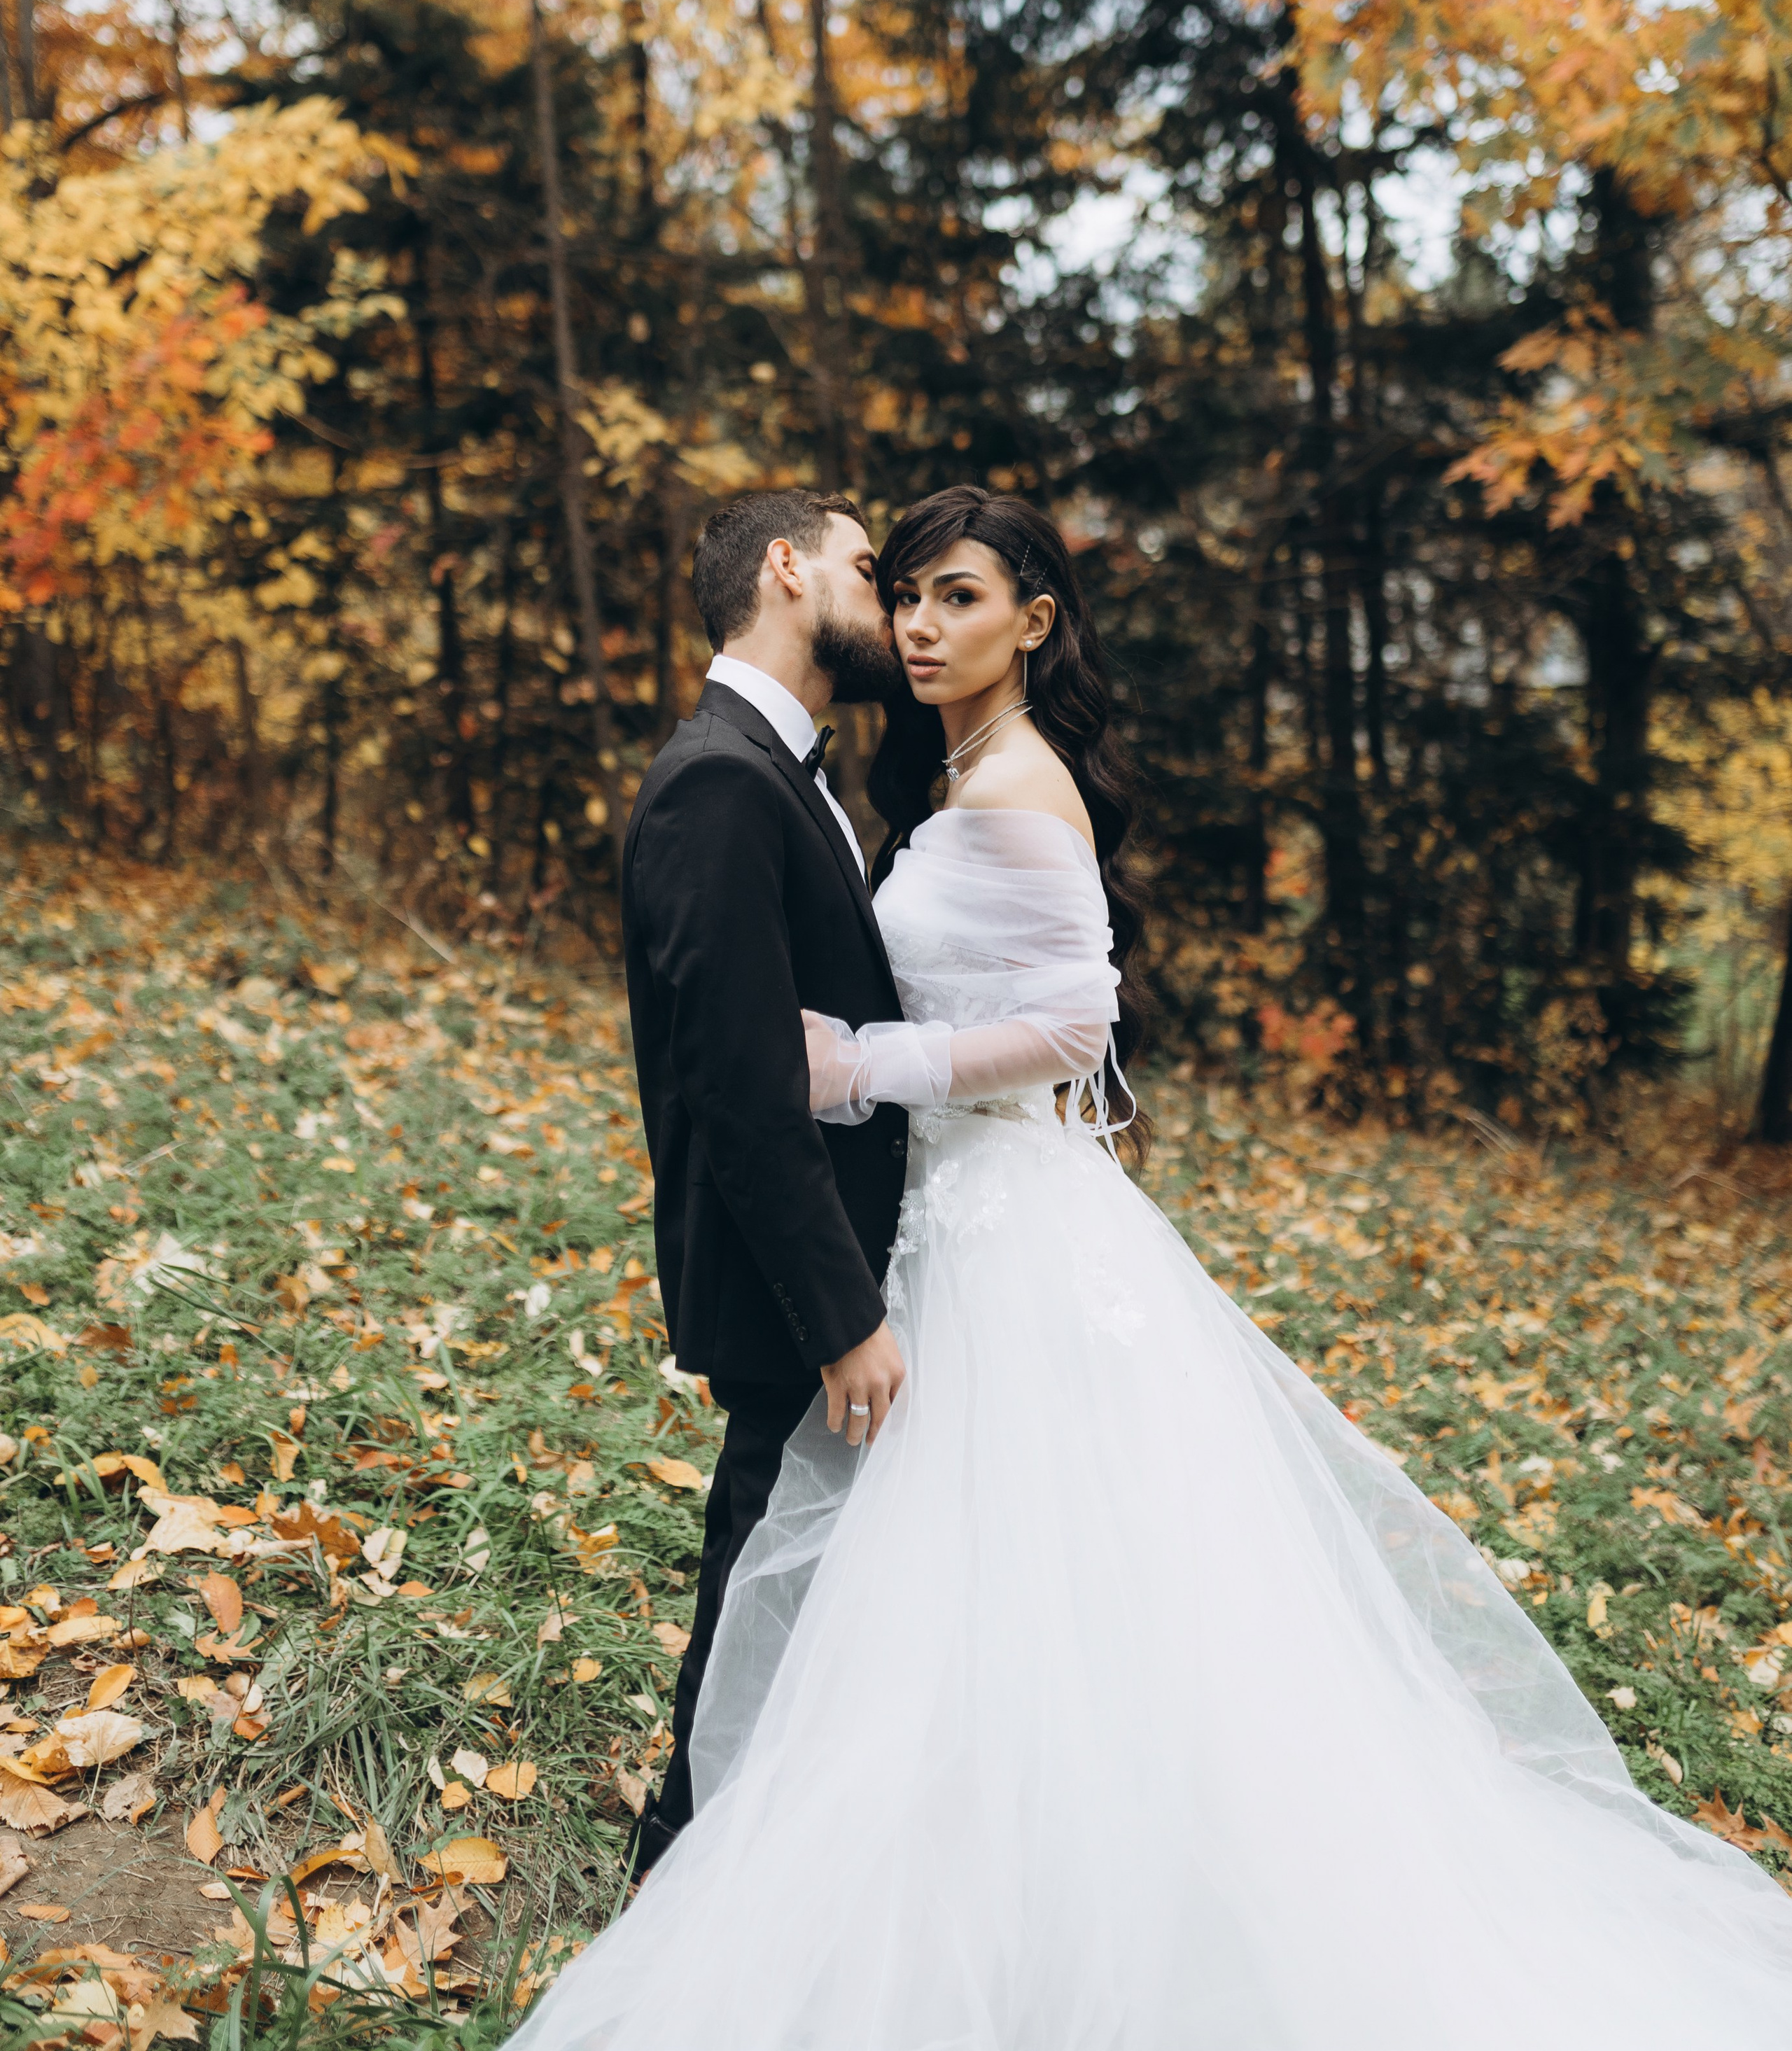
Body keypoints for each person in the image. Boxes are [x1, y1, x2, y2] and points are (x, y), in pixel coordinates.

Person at [521, 485, 1792, 2048]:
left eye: (950, 594)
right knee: (906, 1581)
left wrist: (868, 1065)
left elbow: (1073, 1025)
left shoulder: (1006, 780)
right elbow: (742, 1054)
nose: (913, 619)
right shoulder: (866, 770)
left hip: (988, 1231)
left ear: (1031, 620)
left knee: (1008, 1580)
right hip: (933, 1234)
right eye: (895, 586)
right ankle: (760, 1857)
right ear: (799, 578)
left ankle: (821, 1880)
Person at [616, 486, 907, 1881]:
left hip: (835, 1263)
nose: (890, 594)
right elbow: (735, 1083)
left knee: (805, 1588)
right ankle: (672, 1891)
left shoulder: (788, 770)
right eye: (867, 564)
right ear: (785, 569)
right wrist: (839, 1309)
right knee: (759, 1593)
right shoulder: (719, 779)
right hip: (791, 1286)